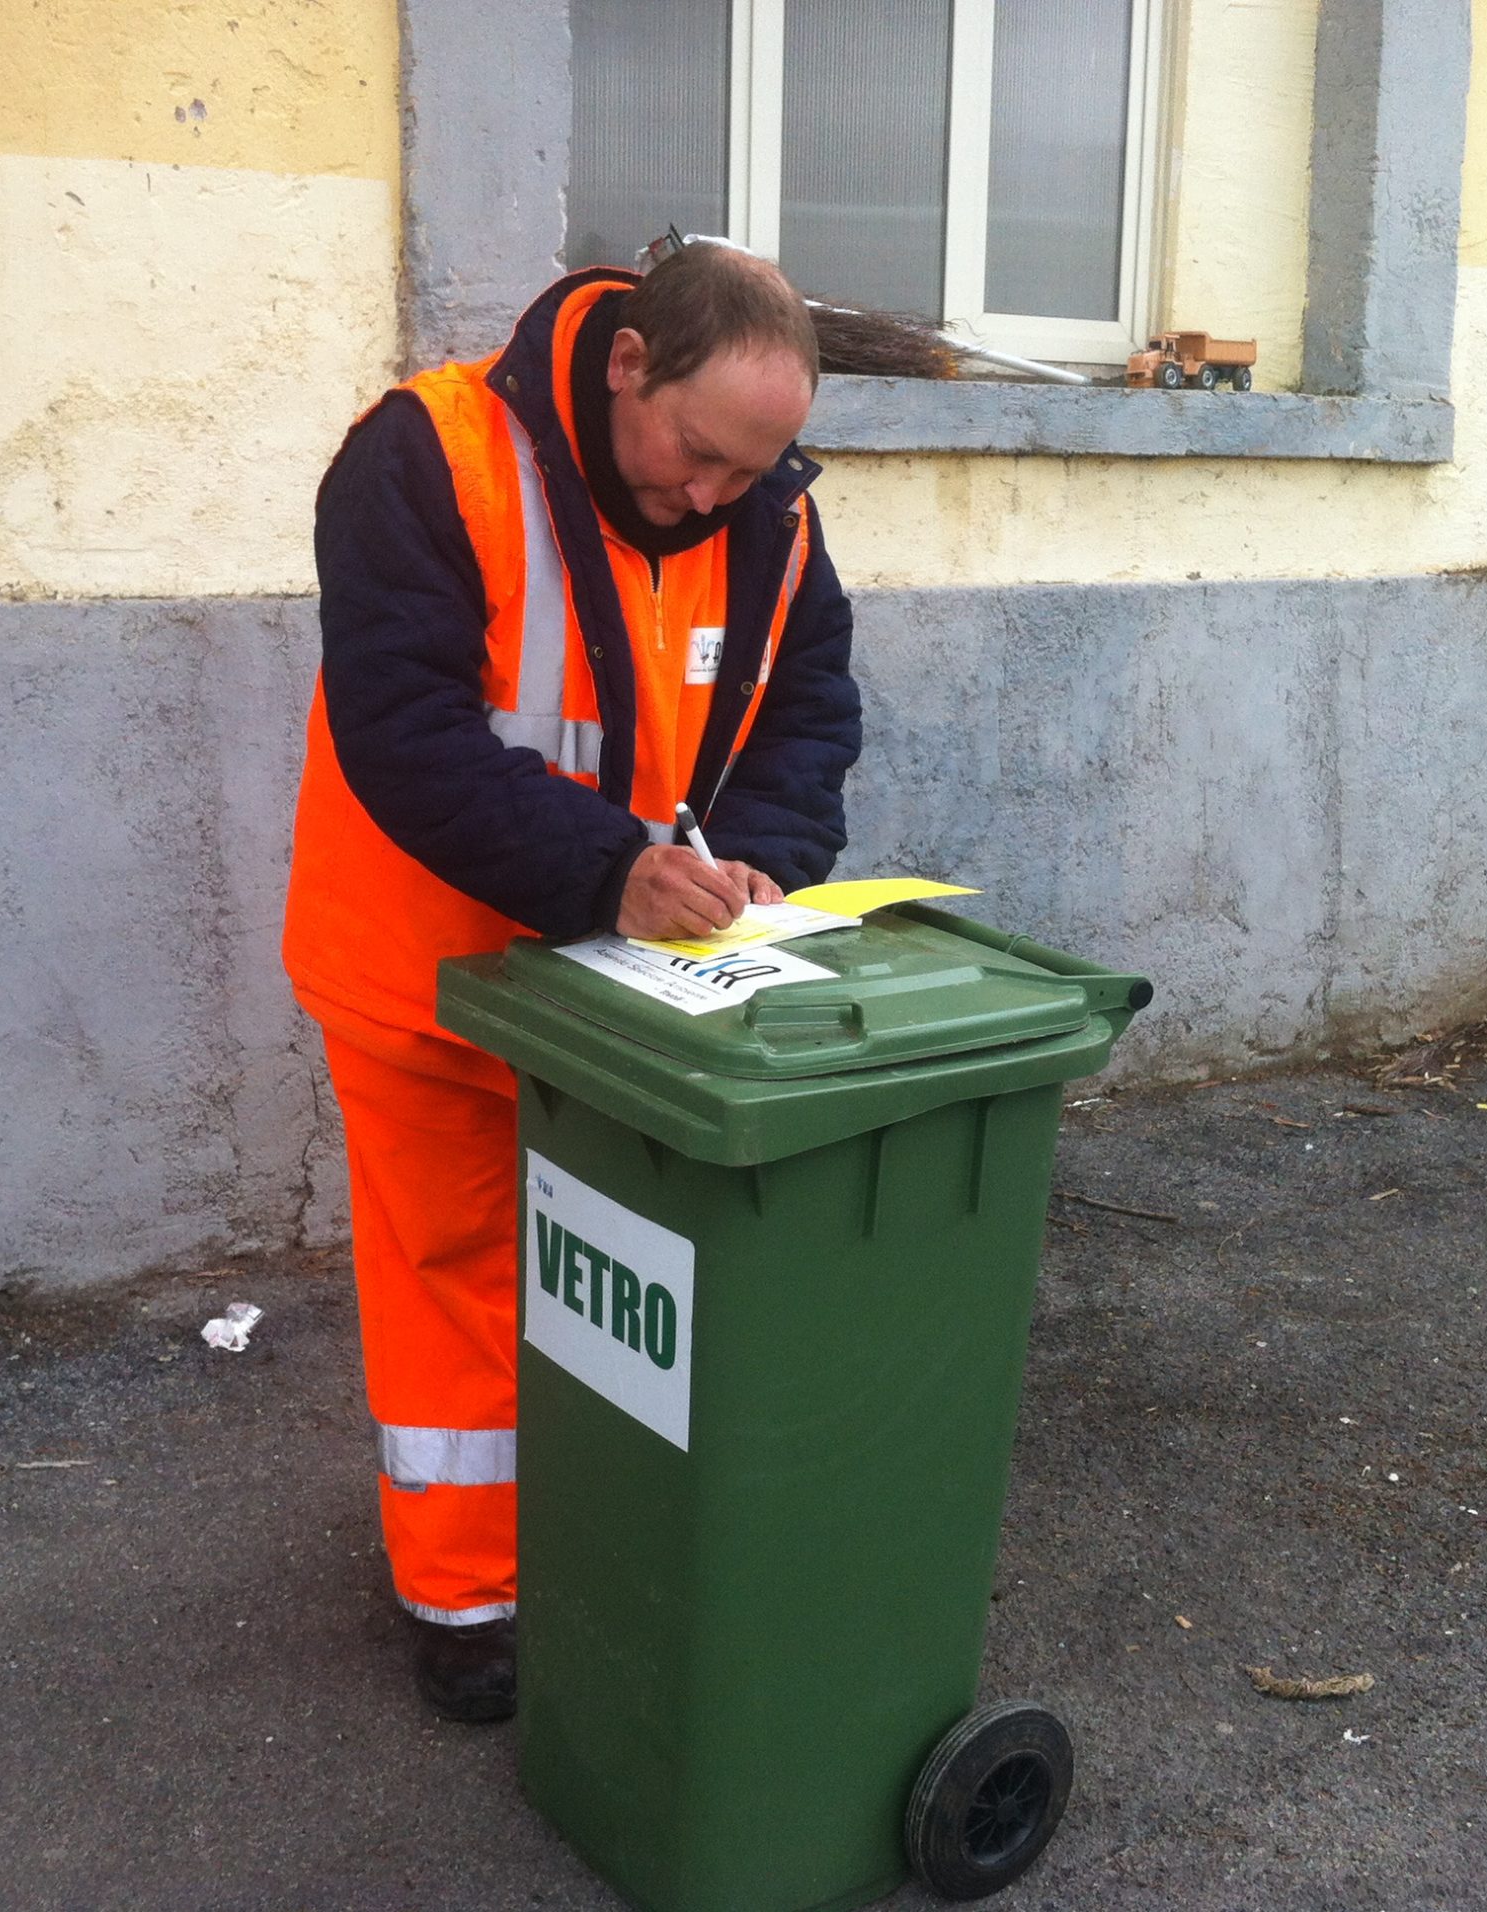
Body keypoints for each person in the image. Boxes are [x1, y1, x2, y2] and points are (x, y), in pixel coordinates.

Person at [281, 243, 861, 1721]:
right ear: (627, 365)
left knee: (632, 1285)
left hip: (637, 989)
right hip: (428, 974)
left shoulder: (772, 514)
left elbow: (805, 716)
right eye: (696, 455)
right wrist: (610, 872)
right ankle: (468, 1600)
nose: (712, 497)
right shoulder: (428, 454)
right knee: (461, 1279)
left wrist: (766, 864)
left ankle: (623, 1543)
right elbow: (404, 729)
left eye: (751, 471)